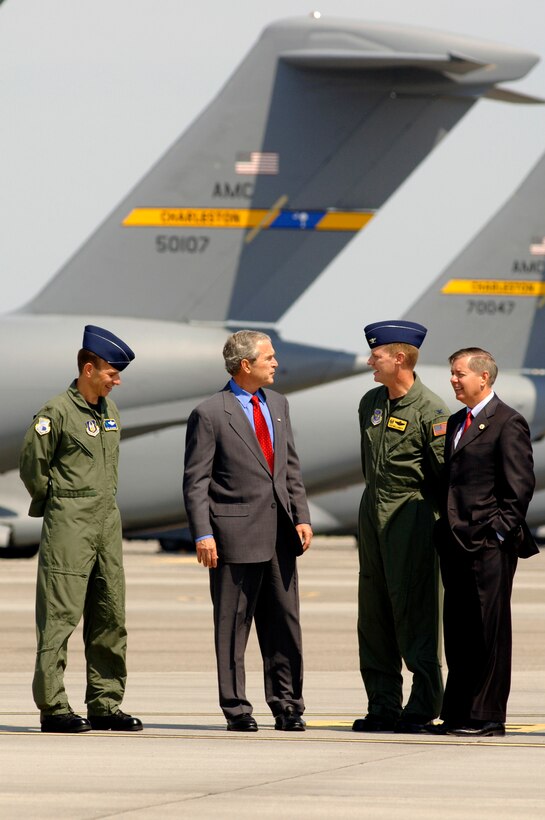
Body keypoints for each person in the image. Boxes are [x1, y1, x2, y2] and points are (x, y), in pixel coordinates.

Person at [183, 330, 313, 732]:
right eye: (269, 357)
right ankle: (237, 708)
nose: (276, 363)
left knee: (285, 625)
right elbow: (196, 481)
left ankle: (288, 705)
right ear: (245, 365)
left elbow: (289, 467)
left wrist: (302, 515)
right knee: (232, 626)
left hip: (281, 535)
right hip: (233, 538)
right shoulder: (209, 413)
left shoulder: (278, 404)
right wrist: (203, 534)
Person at [19, 325, 143, 734]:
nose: (117, 380)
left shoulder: (110, 413)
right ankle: (54, 706)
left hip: (107, 522)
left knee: (110, 614)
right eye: (111, 372)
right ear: (89, 368)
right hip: (70, 522)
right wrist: (59, 499)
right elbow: (33, 467)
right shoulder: (55, 412)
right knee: (60, 616)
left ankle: (105, 703)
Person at [429, 348, 538, 737]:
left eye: (459, 374)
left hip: (488, 545)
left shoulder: (507, 422)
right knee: (458, 629)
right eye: (452, 374)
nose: (454, 380)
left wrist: (497, 532)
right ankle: (458, 712)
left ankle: (487, 716)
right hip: (455, 542)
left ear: (483, 378)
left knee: (488, 630)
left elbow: (520, 486)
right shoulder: (458, 420)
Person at [352, 320, 449, 734]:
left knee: (415, 611)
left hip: (411, 518)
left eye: (377, 355)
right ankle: (382, 705)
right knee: (373, 615)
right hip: (372, 518)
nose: (371, 361)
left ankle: (423, 703)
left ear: (399, 358)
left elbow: (444, 477)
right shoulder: (370, 402)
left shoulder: (433, 411)